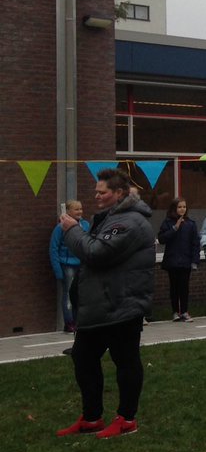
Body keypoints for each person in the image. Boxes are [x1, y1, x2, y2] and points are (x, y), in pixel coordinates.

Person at [56, 168, 155, 438]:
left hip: (122, 305)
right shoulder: (112, 218)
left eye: (102, 192)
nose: (96, 196)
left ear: (119, 193)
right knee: (83, 357)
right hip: (101, 306)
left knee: (125, 361)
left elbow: (96, 253)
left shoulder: (129, 222)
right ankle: (91, 417)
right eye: (96, 191)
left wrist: (73, 231)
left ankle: (127, 419)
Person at [157, 197, 200, 322]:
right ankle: (175, 312)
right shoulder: (167, 222)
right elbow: (161, 239)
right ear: (174, 208)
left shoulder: (191, 224)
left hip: (186, 261)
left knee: (184, 287)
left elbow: (195, 243)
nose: (182, 209)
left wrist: (195, 260)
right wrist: (174, 228)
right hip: (172, 260)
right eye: (180, 207)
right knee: (174, 287)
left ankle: (185, 311)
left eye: (184, 207)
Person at [50, 199, 89, 333]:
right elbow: (53, 248)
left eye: (81, 209)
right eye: (76, 209)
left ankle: (80, 320)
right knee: (68, 294)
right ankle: (69, 322)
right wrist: (58, 270)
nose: (80, 212)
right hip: (68, 266)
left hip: (82, 265)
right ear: (68, 211)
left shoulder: (85, 225)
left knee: (82, 294)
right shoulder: (60, 227)